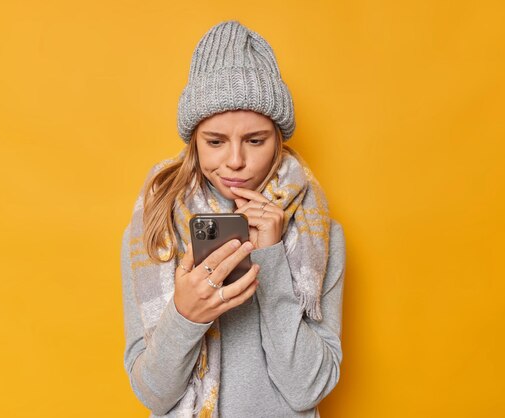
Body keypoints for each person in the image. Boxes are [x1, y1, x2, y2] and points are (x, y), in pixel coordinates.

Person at [121, 20, 346, 417]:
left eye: (255, 140)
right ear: (194, 139)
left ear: (279, 137)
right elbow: (153, 394)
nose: (236, 161)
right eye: (215, 141)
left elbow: (308, 388)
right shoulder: (156, 229)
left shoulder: (318, 231)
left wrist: (271, 260)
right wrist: (185, 316)